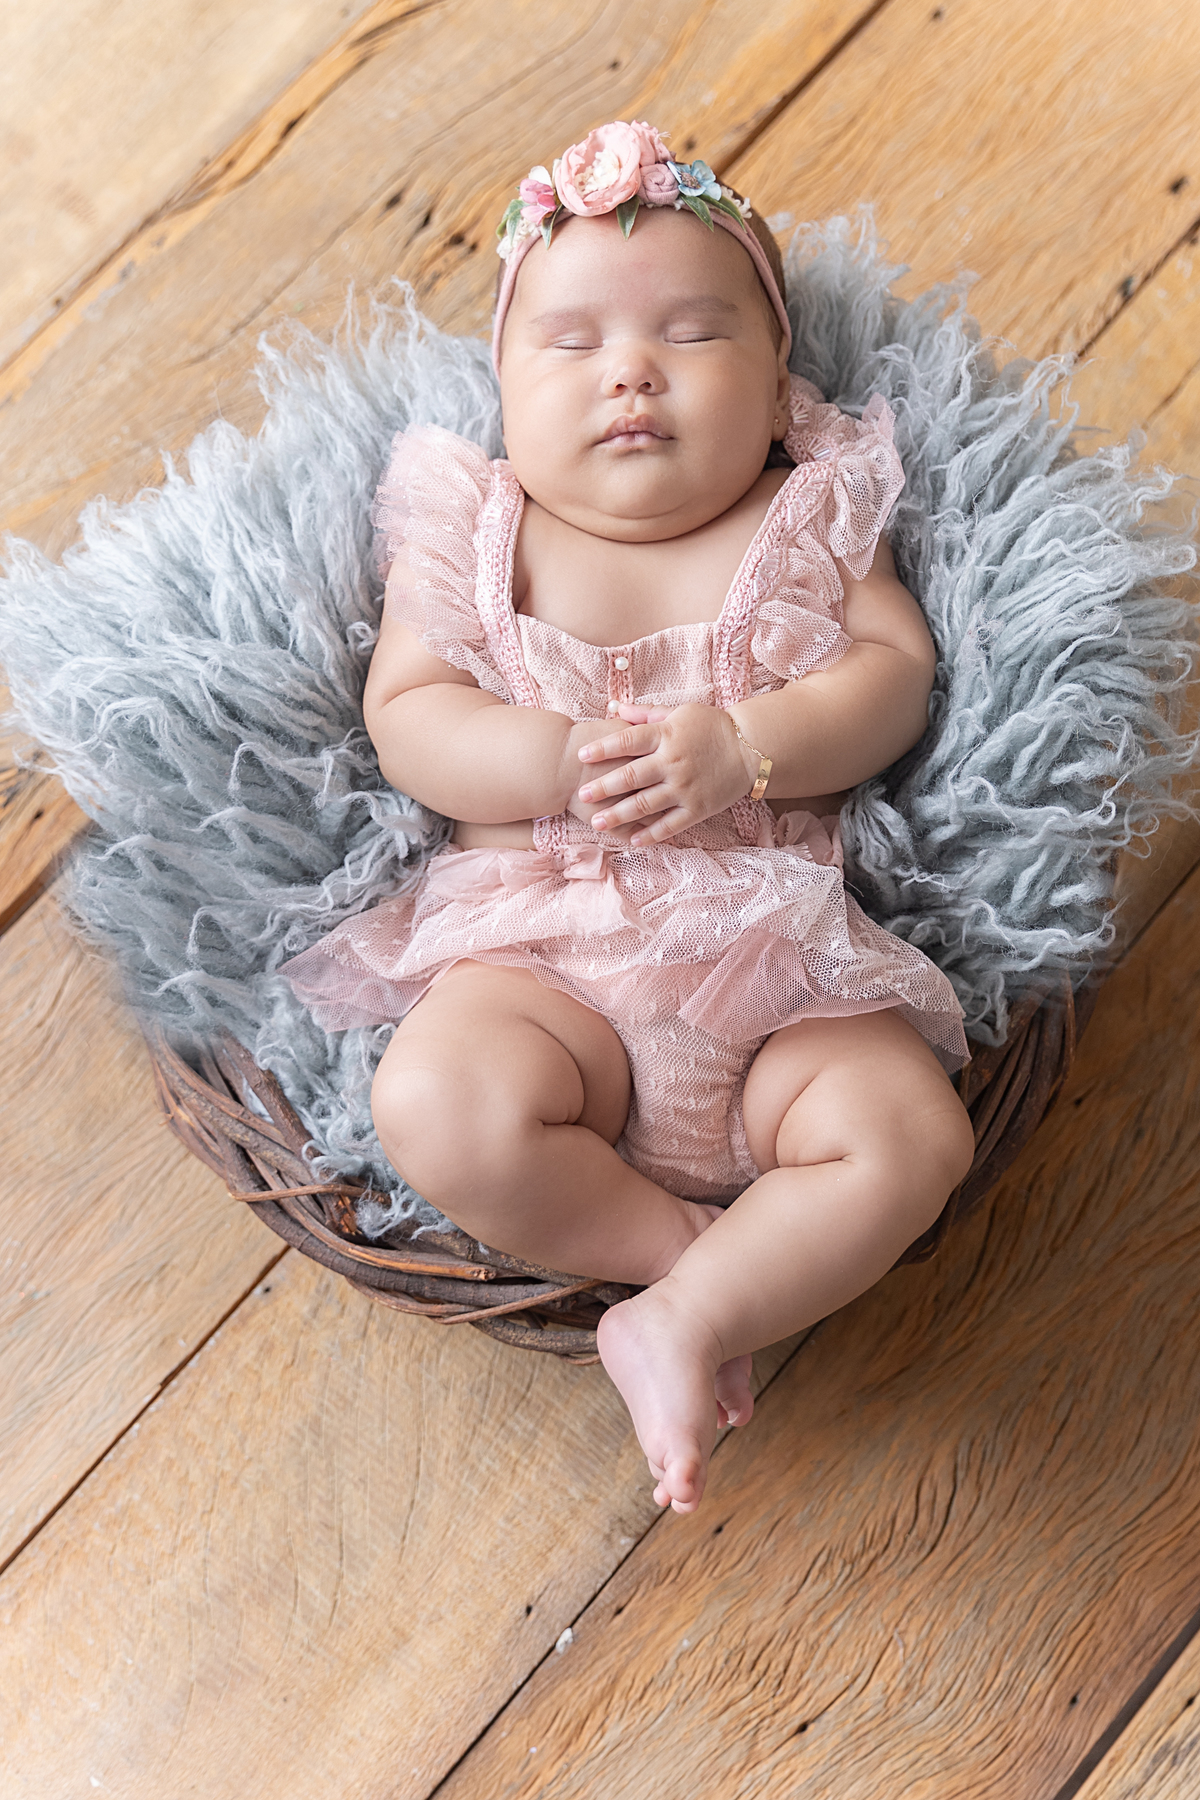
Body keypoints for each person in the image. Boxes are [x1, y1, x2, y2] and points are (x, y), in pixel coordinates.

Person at [283, 121, 974, 1514]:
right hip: (549, 977)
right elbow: (408, 714)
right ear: (501, 386)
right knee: (433, 1098)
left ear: (780, 380)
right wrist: (536, 759)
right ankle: (680, 1267)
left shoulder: (809, 513)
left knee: (914, 1137)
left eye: (692, 331)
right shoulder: (478, 533)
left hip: (772, 977)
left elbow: (895, 681)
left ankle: (682, 1318)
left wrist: (753, 745)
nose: (629, 370)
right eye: (572, 341)